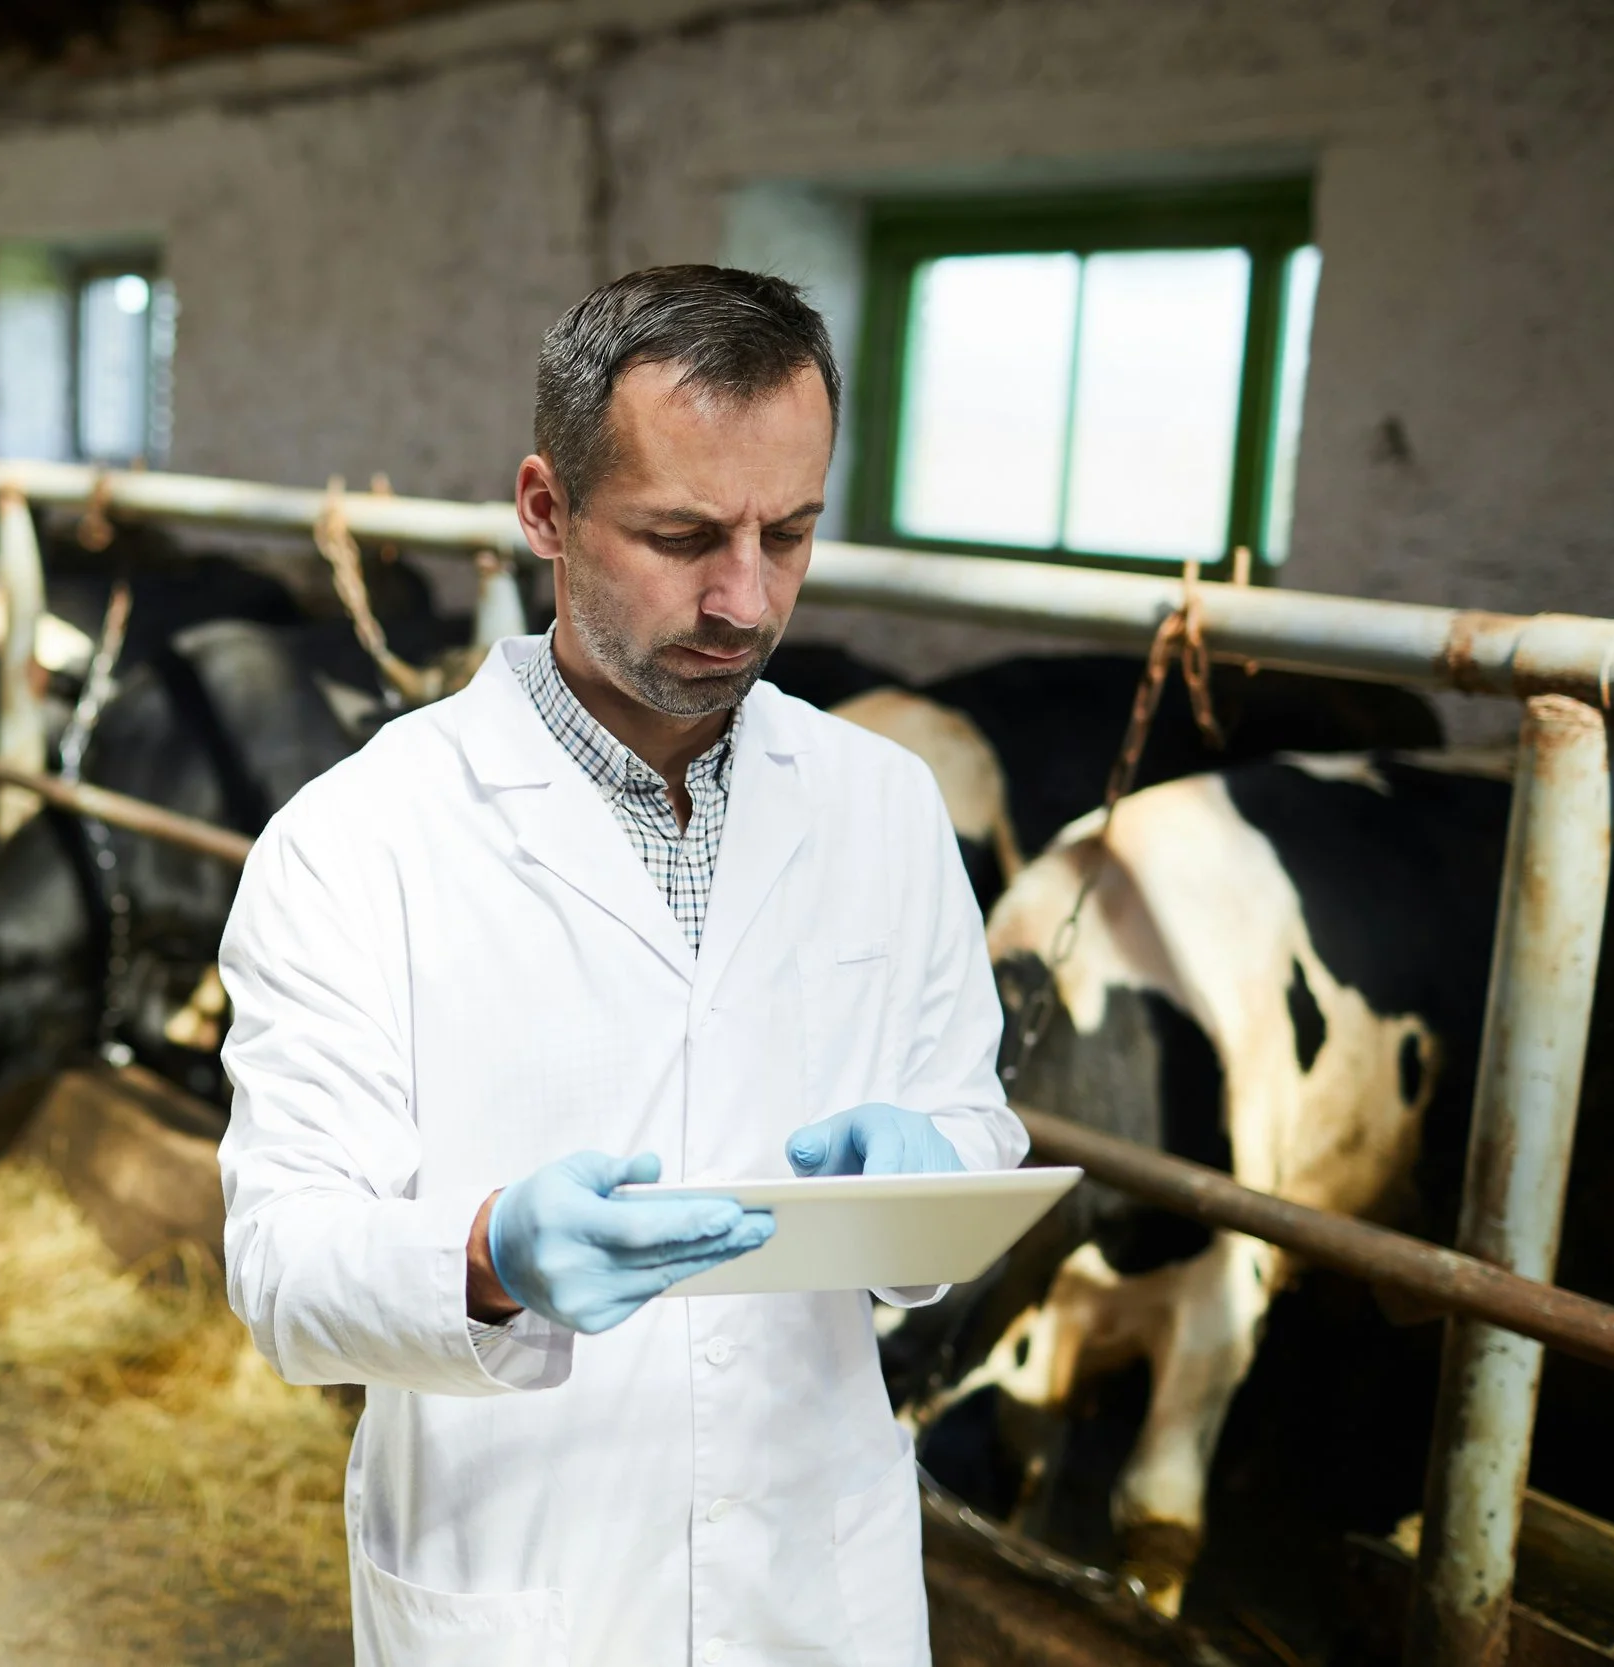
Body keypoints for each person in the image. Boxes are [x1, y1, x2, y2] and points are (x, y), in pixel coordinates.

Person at [217, 265, 1025, 1666]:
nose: (745, 595)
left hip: (816, 1580)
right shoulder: (357, 840)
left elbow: (971, 1119)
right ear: (546, 509)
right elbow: (283, 1263)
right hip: (524, 1584)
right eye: (682, 534)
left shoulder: (885, 807)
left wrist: (933, 1168)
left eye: (791, 532)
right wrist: (486, 1256)